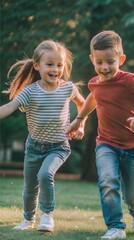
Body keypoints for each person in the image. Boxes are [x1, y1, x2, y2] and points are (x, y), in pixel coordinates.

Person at [67, 30, 134, 239]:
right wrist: (79, 119)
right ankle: (116, 227)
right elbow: (93, 98)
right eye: (99, 61)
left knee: (131, 196)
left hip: (133, 147)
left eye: (110, 61)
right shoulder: (95, 82)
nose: (104, 67)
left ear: (121, 59)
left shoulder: (129, 80)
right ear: (92, 59)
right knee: (108, 181)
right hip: (106, 143)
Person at [0, 40, 85, 232]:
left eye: (59, 65)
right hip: (34, 147)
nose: (55, 69)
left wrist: (80, 124)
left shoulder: (67, 88)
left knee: (46, 175)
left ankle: (47, 216)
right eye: (50, 64)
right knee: (30, 188)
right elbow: (9, 107)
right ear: (37, 66)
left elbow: (84, 104)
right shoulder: (30, 91)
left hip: (59, 146)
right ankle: (28, 220)